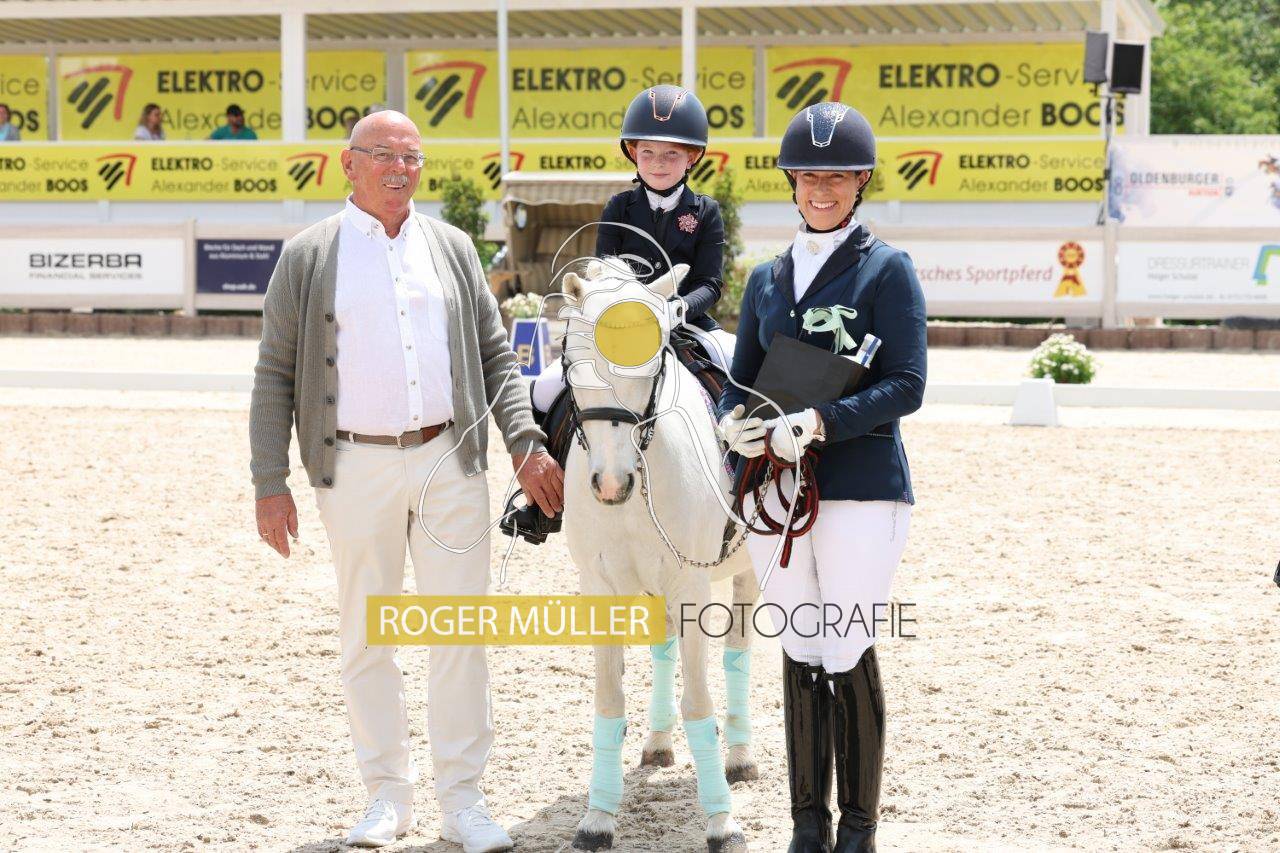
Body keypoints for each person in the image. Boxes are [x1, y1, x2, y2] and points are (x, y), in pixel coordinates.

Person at [250, 110, 563, 851]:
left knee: (460, 630)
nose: (399, 168)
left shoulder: (452, 248)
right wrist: (269, 479)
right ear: (348, 163)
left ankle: (463, 800)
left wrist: (525, 443)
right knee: (369, 633)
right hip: (352, 464)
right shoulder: (308, 255)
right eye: (383, 154)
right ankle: (387, 796)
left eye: (411, 157)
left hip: (449, 458)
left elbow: (496, 354)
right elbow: (274, 371)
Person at [717, 102, 927, 853]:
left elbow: (907, 384)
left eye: (837, 176)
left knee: (844, 644)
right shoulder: (767, 279)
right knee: (800, 644)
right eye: (808, 175)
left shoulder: (886, 270)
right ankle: (807, 823)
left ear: (860, 180)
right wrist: (730, 422)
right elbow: (739, 381)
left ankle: (858, 829)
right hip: (774, 490)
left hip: (860, 486)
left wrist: (821, 422)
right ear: (792, 182)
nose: (821, 188)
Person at [529, 83, 730, 415]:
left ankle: (737, 448)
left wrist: (675, 309)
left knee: (740, 371)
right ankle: (542, 447)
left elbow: (710, 283)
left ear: (692, 157)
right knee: (543, 390)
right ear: (633, 153)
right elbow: (603, 274)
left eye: (671, 154)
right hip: (620, 324)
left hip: (685, 323)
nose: (658, 163)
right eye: (647, 152)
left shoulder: (706, 211)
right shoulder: (619, 207)